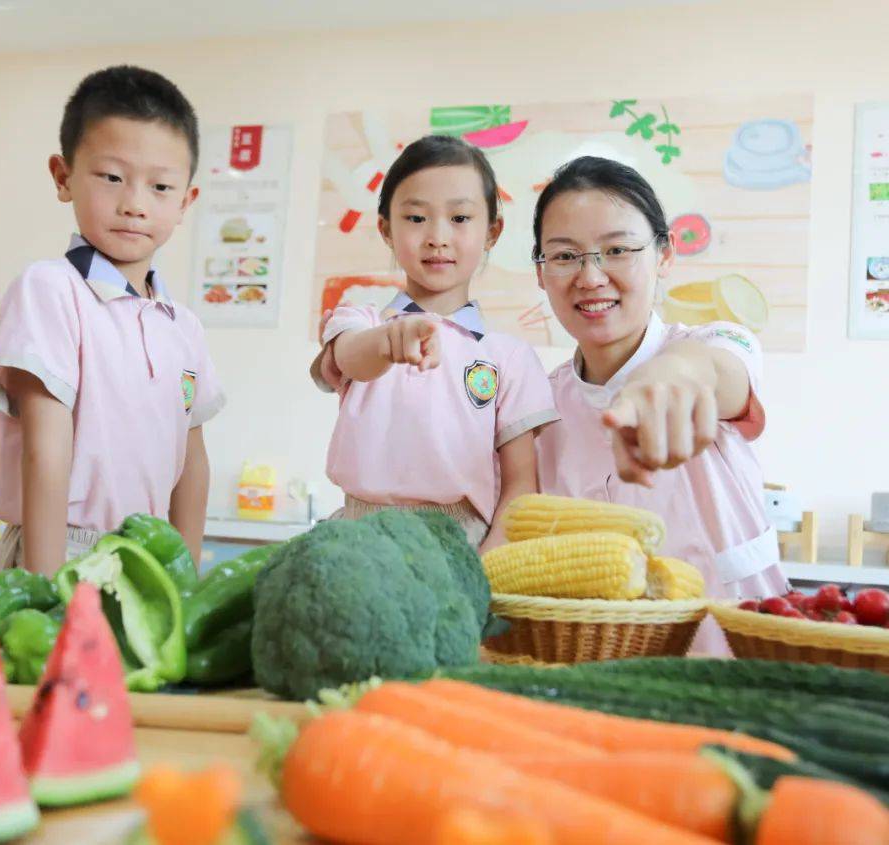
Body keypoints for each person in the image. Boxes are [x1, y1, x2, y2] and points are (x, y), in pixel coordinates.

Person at [531, 155, 787, 653]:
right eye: (564, 256)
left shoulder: (714, 343)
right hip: (609, 677)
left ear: (664, 255)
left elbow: (714, 370)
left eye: (617, 250)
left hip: (744, 658)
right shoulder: (539, 408)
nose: (590, 276)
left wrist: (674, 375)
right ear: (541, 273)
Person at [0, 65, 223, 576]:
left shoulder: (183, 326)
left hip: (150, 559)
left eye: (160, 187)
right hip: (61, 553)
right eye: (112, 178)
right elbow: (46, 452)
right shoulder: (50, 288)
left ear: (186, 202)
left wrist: (185, 581)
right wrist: (44, 589)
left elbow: (192, 465)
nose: (135, 204)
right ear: (63, 176)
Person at [312, 135, 557, 551]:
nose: (437, 237)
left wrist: (487, 570)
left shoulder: (509, 358)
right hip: (357, 534)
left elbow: (521, 486)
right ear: (386, 229)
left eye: (460, 218)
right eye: (416, 218)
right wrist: (390, 339)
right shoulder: (360, 321)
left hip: (461, 542)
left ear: (492, 231)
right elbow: (350, 358)